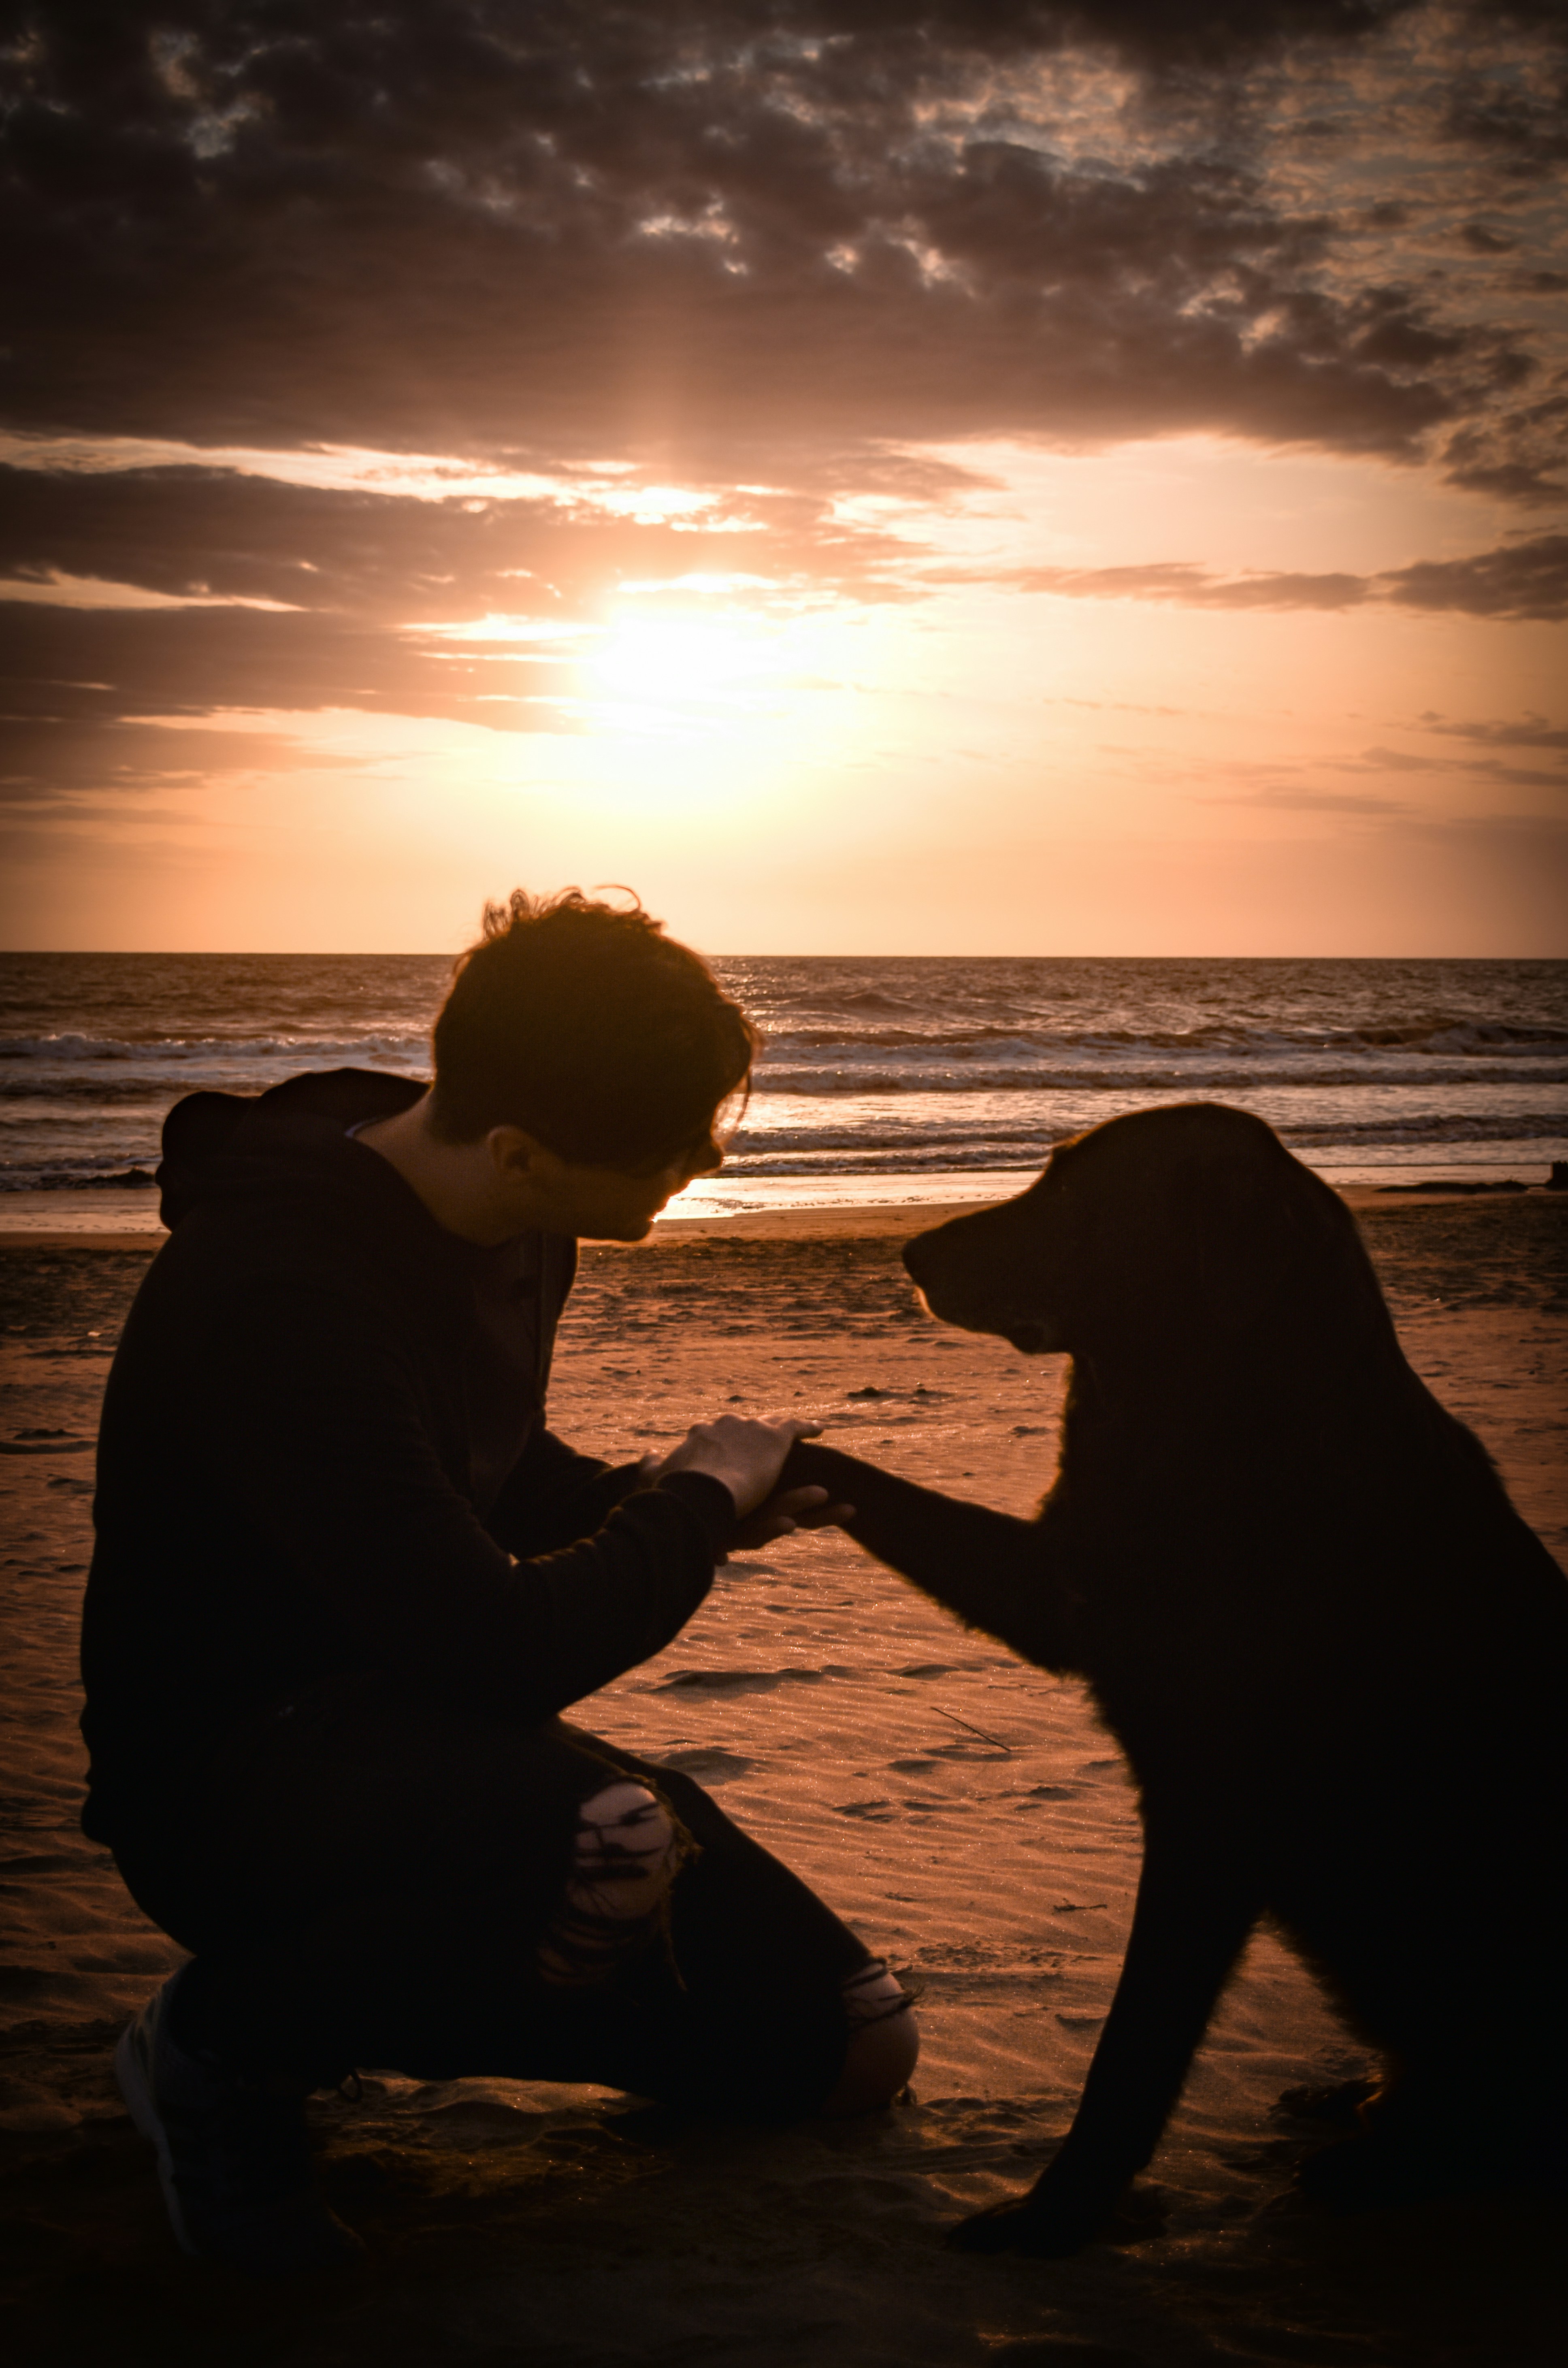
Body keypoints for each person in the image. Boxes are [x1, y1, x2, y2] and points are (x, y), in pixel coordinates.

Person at [80, 889, 917, 2274]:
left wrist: (659, 1501)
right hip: (233, 1780)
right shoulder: (280, 1295)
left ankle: (418, 1982)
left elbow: (495, 1468)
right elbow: (506, 1651)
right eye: (672, 1147)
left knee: (851, 2047)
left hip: (427, 1736)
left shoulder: (514, 1218)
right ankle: (227, 2045)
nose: (699, 1164)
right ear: (523, 1150)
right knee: (609, 1835)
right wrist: (694, 1509)